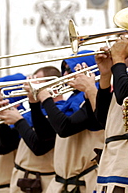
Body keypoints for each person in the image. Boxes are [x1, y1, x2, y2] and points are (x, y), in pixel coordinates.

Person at [25, 50, 105, 193]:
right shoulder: (72, 99)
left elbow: (64, 128)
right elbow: (45, 134)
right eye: (64, 70)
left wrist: (46, 98)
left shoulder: (93, 97)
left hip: (84, 183)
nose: (65, 75)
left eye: (70, 69)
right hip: (63, 183)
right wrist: (34, 104)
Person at [92, 35, 128, 193]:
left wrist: (118, 59)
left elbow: (124, 94)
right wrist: (105, 74)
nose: (119, 45)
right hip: (112, 161)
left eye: (127, 39)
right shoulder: (123, 76)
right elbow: (102, 118)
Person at [0, 66, 65, 193]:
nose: (31, 85)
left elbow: (39, 147)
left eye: (37, 81)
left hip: (41, 183)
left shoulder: (59, 110)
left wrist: (19, 121)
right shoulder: (31, 112)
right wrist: (3, 120)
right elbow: (7, 144)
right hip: (21, 181)